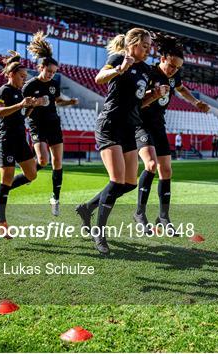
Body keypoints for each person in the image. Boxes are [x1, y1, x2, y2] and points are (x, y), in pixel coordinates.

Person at [75, 28, 152, 255]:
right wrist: (121, 68)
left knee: (129, 183)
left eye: (149, 46)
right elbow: (99, 78)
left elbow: (139, 101)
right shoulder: (119, 58)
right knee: (117, 180)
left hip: (129, 128)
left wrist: (155, 95)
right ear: (133, 44)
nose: (148, 50)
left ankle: (87, 208)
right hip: (110, 125)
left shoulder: (146, 69)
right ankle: (99, 233)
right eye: (144, 46)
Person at [133, 32, 209, 232]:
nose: (174, 70)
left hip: (159, 126)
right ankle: (139, 213)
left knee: (166, 171)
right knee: (150, 165)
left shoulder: (174, 76)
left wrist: (196, 102)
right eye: (172, 65)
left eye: (178, 68)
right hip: (141, 125)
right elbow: (136, 103)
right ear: (162, 58)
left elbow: (182, 89)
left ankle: (163, 217)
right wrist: (155, 94)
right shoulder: (148, 73)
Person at [23, 31, 79, 216]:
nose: (51, 75)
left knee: (57, 162)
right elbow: (25, 112)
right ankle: (28, 170)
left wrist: (69, 102)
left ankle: (55, 198)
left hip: (53, 123)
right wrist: (34, 103)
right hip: (37, 124)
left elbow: (55, 101)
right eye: (48, 71)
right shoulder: (29, 86)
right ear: (40, 67)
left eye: (54, 73)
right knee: (43, 160)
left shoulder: (54, 84)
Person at [0, 50, 42, 231]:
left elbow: (21, 115)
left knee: (32, 174)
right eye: (21, 76)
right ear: (11, 75)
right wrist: (20, 104)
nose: (24, 80)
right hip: (6, 139)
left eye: (25, 77)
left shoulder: (19, 93)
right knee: (7, 179)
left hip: (19, 139)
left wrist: (31, 107)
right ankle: (1, 221)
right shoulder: (3, 90)